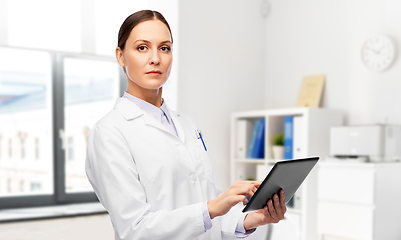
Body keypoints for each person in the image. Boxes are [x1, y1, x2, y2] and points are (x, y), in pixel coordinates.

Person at [85, 10, 286, 240]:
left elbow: (208, 208)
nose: (155, 58)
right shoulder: (109, 132)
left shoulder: (187, 125)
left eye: (164, 48)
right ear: (120, 56)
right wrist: (211, 207)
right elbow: (135, 229)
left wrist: (253, 219)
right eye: (142, 47)